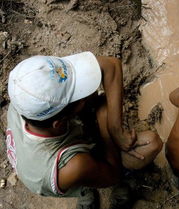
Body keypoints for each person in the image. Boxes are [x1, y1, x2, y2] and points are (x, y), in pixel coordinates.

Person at [6, 52, 163, 208]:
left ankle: (87, 180)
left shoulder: (25, 98)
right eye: (77, 98)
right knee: (150, 144)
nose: (84, 96)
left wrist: (116, 129)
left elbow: (110, 65)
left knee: (92, 90)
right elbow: (112, 176)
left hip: (64, 148)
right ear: (59, 122)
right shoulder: (71, 166)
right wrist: (105, 125)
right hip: (59, 172)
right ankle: (85, 188)